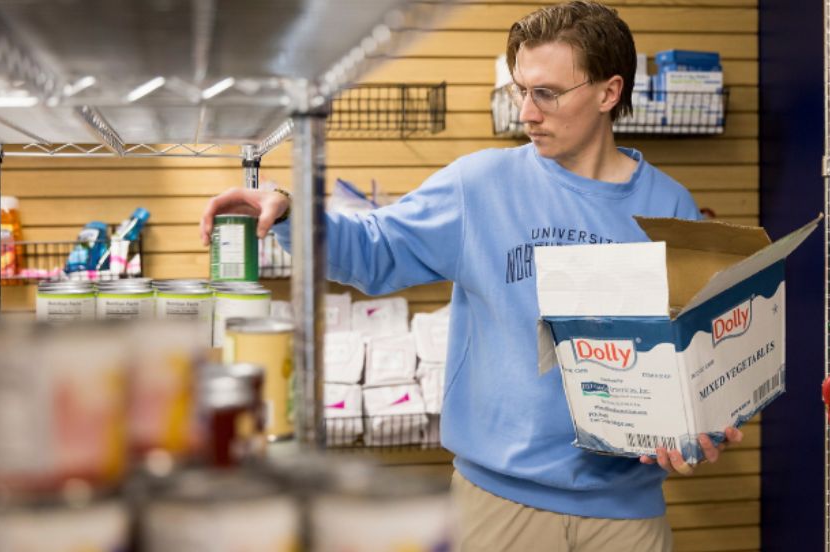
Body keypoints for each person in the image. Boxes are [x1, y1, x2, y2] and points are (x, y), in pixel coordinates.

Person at [200, 2, 743, 550]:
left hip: (627, 514)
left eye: (546, 93)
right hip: (498, 505)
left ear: (608, 92)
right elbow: (371, 250)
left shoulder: (670, 206)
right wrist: (290, 211)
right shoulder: (479, 185)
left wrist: (699, 427)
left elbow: (691, 358)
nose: (527, 112)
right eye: (520, 91)